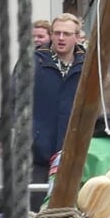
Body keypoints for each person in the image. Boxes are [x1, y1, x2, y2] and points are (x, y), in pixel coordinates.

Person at [30, 15, 88, 185]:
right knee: (35, 206)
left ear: (77, 37)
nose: (61, 38)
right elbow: (13, 98)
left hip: (74, 152)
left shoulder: (89, 65)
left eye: (67, 34)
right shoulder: (34, 62)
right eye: (57, 33)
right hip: (37, 153)